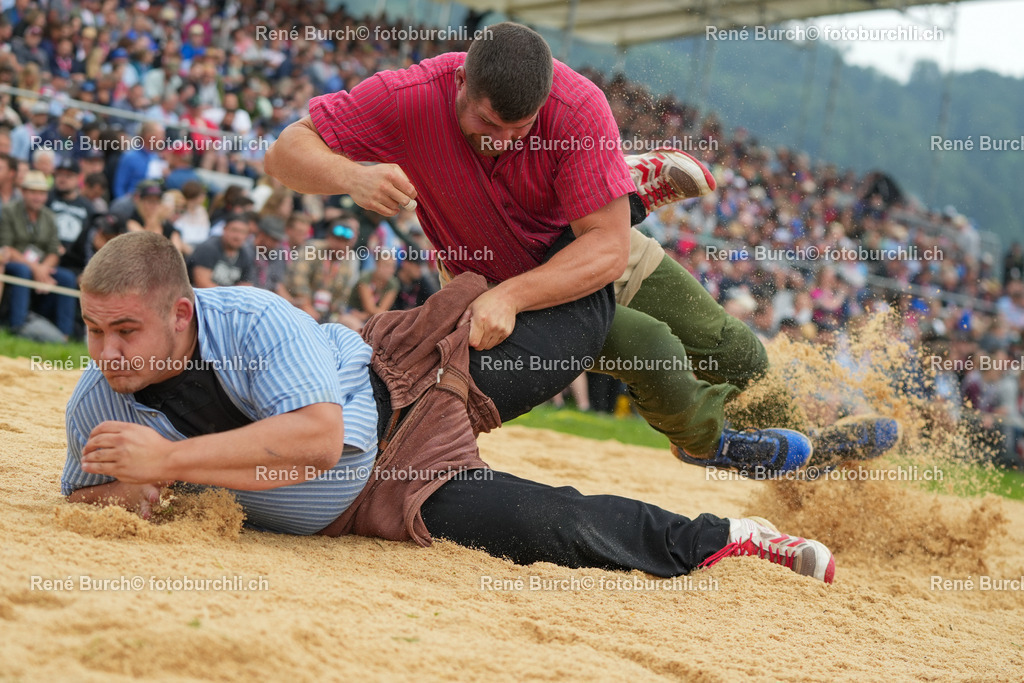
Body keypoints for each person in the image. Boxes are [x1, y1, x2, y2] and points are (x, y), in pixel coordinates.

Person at [265, 22, 898, 475]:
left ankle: (809, 457)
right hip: (492, 286)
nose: (505, 141)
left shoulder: (577, 107)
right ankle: (709, 443)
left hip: (582, 254)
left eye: (521, 129)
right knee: (651, 350)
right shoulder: (408, 97)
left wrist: (516, 292)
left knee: (736, 350)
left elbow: (605, 253)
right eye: (488, 126)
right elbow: (284, 150)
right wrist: (351, 175)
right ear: (460, 85)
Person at [60, 232, 835, 583]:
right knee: (551, 527)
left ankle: (598, 218)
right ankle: (733, 539)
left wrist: (164, 462)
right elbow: (88, 497)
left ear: (182, 314)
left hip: (413, 380)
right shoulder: (96, 403)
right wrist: (124, 492)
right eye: (93, 330)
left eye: (125, 330)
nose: (106, 351)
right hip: (396, 493)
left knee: (587, 318)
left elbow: (321, 440)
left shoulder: (253, 321)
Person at [0, 170, 77, 338]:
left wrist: (42, 269)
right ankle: (17, 326)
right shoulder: (9, 211)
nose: (38, 197)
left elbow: (54, 250)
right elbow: (7, 247)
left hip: (42, 265)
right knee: (23, 271)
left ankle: (66, 333)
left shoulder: (49, 216)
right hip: (14, 262)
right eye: (33, 192)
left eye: (42, 193)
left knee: (67, 278)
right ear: (23, 192)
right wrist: (36, 268)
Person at [189, 214, 254, 288]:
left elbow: (246, 287)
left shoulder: (246, 255)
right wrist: (229, 296)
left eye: (242, 232)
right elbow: (202, 283)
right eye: (234, 230)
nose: (237, 236)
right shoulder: (208, 248)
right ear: (224, 229)